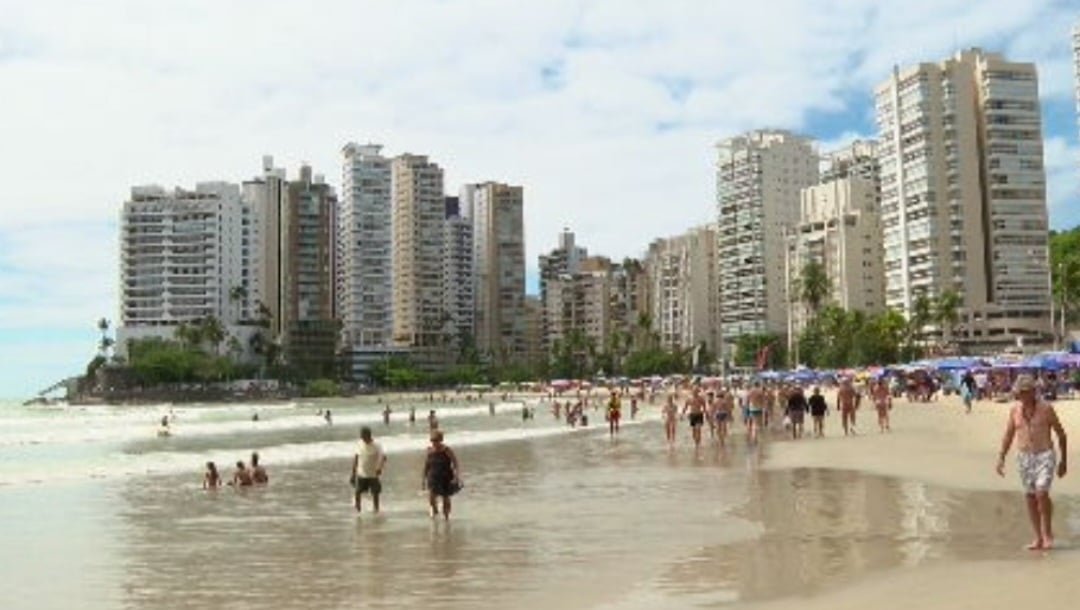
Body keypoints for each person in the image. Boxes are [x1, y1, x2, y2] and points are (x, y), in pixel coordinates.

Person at [996, 374, 1068, 550]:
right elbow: (1009, 435)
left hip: (1045, 455)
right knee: (1030, 496)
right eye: (1020, 392)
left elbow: (1061, 434)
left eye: (1025, 392)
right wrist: (1001, 457)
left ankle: (1047, 533)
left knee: (1041, 493)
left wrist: (1063, 461)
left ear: (1033, 392)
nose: (1022, 395)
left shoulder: (1046, 409)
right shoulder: (1015, 410)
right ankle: (1038, 537)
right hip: (1024, 457)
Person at [422, 430, 461, 520]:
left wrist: (456, 476)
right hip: (433, 476)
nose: (434, 443)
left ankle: (446, 517)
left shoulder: (447, 450)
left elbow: (455, 462)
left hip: (445, 476)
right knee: (431, 497)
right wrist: (423, 478)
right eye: (432, 440)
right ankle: (435, 511)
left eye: (436, 440)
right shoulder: (430, 450)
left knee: (445, 497)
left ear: (441, 440)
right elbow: (426, 465)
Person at [351, 426, 387, 513]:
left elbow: (384, 457)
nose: (363, 439)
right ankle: (358, 511)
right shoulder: (359, 444)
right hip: (361, 473)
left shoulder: (377, 445)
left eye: (364, 436)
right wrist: (353, 473)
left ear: (369, 435)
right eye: (362, 437)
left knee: (375, 493)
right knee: (357, 492)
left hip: (373, 474)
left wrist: (380, 468)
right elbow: (356, 458)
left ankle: (376, 510)